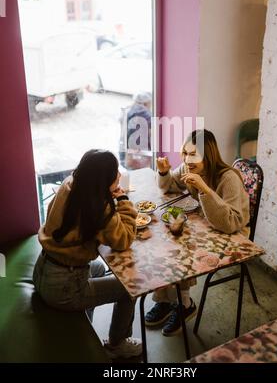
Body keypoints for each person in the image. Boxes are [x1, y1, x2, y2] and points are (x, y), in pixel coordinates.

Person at [33, 149, 142, 359]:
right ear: (101, 180)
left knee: (100, 267)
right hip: (64, 289)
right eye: (115, 173)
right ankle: (117, 345)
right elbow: (124, 239)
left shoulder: (70, 184)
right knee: (129, 289)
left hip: (43, 270)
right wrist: (124, 200)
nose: (119, 175)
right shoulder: (98, 207)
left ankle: (86, 315)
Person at [145, 129, 250, 337]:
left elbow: (231, 223)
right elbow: (170, 187)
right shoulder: (188, 166)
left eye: (193, 154)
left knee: (180, 246)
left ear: (208, 154)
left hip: (233, 236)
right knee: (169, 239)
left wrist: (204, 190)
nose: (186, 159)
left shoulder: (228, 178)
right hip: (208, 223)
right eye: (184, 153)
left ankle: (185, 304)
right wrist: (164, 172)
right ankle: (167, 300)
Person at [119, 91, 152, 170]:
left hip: (125, 153)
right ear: (146, 103)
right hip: (138, 156)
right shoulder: (145, 114)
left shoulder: (127, 111)